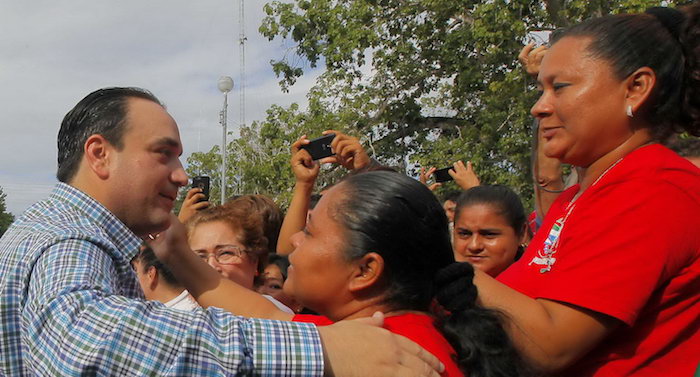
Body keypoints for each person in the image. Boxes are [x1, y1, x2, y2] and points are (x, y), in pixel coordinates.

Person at [0, 87, 444, 376]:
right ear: (99, 154)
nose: (181, 175)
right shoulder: (70, 240)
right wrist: (319, 350)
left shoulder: (62, 231)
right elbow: (85, 345)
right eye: (163, 154)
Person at [438, 5, 700, 376]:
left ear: (636, 88)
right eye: (540, 89)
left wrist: (442, 263)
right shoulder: (581, 197)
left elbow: (549, 344)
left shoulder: (656, 190)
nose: (538, 107)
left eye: (559, 87)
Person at [154, 171, 527, 377]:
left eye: (312, 231)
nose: (295, 239)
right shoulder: (355, 337)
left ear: (365, 270)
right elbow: (266, 315)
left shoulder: (393, 362)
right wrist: (174, 248)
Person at [186, 203, 293, 313]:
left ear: (255, 261)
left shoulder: (278, 318)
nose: (212, 266)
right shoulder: (174, 315)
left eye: (225, 253)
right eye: (199, 257)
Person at [452, 185, 527, 277]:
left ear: (521, 234)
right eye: (464, 234)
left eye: (489, 234)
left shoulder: (540, 288)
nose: (474, 246)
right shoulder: (438, 287)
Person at [131, 243, 198, 311]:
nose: (135, 280)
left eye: (136, 271)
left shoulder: (158, 318)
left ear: (150, 274)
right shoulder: (201, 303)